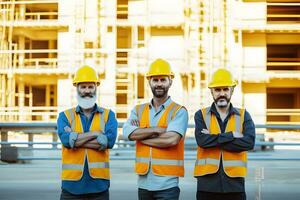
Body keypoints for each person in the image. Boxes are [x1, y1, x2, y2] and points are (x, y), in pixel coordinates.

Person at [123, 58, 188, 200]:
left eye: (163, 80)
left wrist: (141, 137)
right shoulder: (138, 110)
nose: (159, 84)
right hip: (143, 184)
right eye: (155, 80)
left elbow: (171, 139)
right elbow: (127, 133)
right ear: (149, 82)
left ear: (170, 81)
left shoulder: (179, 111)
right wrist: (157, 130)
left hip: (167, 185)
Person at [57, 65, 118, 200]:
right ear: (77, 88)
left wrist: (76, 140)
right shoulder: (64, 116)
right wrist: (96, 134)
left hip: (99, 186)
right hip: (71, 187)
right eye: (83, 87)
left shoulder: (109, 116)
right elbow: (66, 141)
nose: (87, 91)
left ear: (96, 88)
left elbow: (110, 142)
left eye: (90, 87)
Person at [194, 68, 256, 200]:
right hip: (207, 186)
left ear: (232, 90)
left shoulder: (244, 115)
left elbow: (249, 143)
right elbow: (202, 141)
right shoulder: (201, 115)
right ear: (211, 91)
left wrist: (214, 139)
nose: (222, 93)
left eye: (225, 89)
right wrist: (232, 135)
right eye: (217, 90)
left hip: (235, 186)